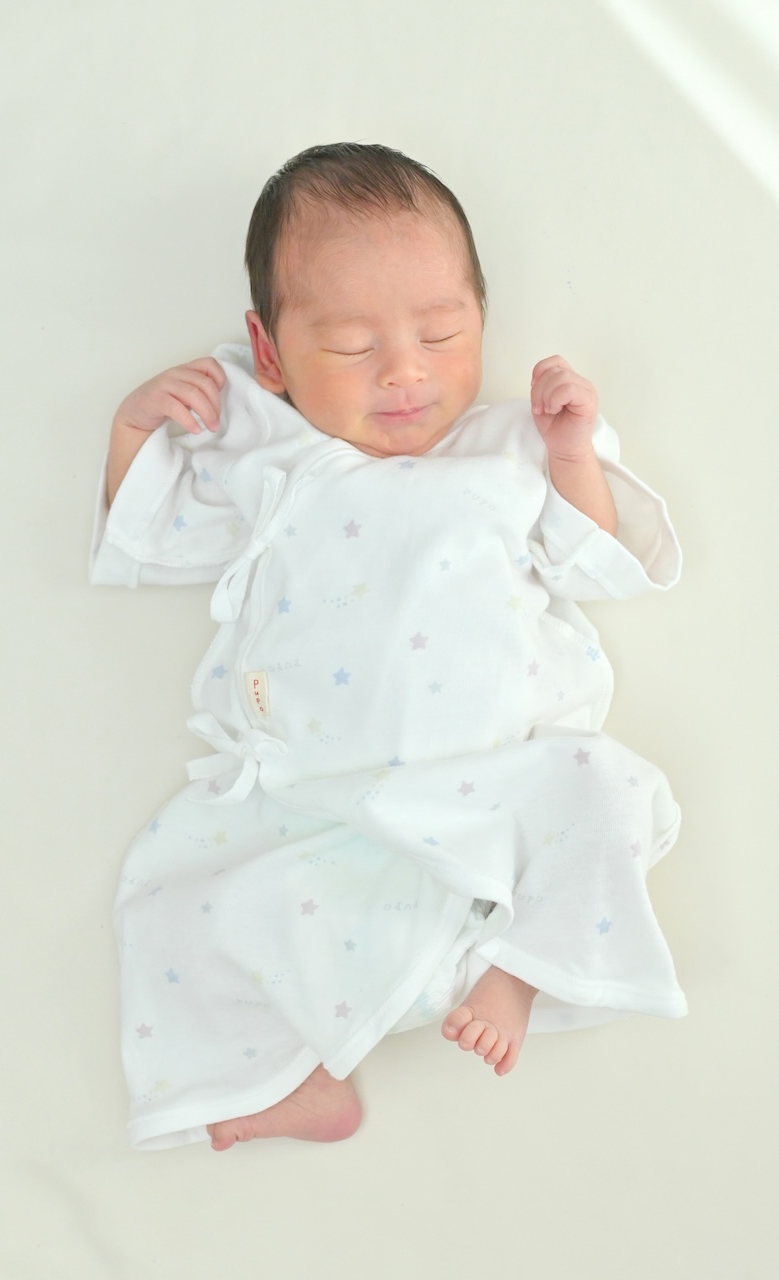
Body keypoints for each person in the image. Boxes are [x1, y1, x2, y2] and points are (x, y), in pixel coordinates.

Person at [92, 142, 686, 1153]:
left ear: (480, 320)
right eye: (351, 344)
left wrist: (572, 452)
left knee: (610, 788)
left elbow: (593, 562)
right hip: (319, 796)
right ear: (270, 353)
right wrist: (129, 432)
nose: (404, 369)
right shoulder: (270, 456)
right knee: (169, 897)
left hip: (498, 783)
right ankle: (296, 1080)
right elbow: (154, 537)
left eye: (439, 333)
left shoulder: (508, 448)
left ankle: (515, 966)